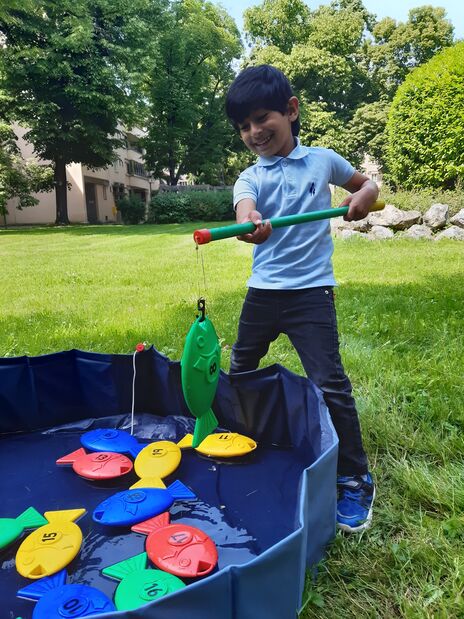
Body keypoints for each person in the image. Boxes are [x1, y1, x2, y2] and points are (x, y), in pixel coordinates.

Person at [225, 64, 378, 533]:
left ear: (291, 110)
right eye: (244, 126)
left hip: (311, 293)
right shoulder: (249, 177)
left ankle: (354, 477)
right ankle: (240, 437)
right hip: (262, 293)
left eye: (261, 118)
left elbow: (366, 184)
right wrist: (251, 223)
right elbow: (245, 207)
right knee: (239, 370)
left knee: (329, 383)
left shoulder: (323, 161)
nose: (254, 132)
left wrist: (365, 196)